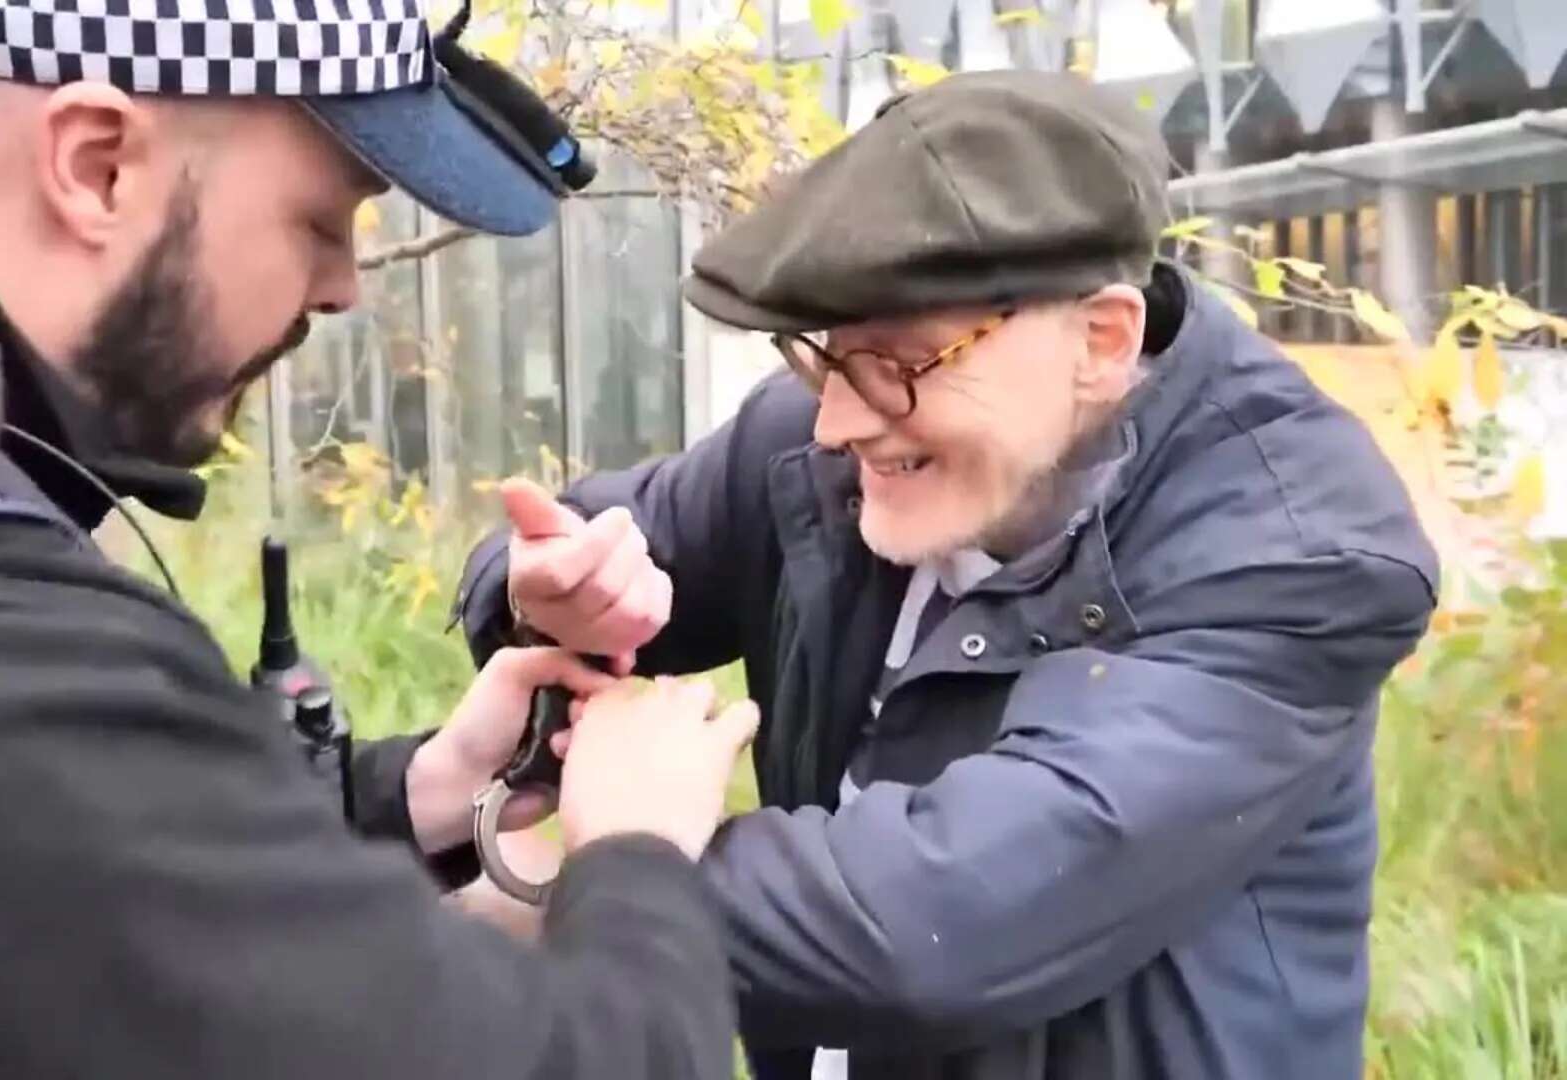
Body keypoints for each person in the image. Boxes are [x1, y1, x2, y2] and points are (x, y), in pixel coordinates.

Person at [0, 1, 760, 1076]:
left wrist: (421, 787)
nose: (340, 292)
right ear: (96, 165)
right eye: (321, 221)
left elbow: (47, 863)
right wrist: (639, 852)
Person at [455, 71, 1441, 1079]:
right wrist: (544, 589)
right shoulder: (822, 443)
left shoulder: (1294, 550)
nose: (839, 418)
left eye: (903, 364)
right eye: (823, 354)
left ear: (1101, 340)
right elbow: (584, 535)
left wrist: (613, 858)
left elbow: (940, 924)